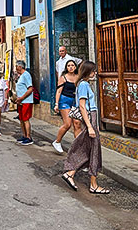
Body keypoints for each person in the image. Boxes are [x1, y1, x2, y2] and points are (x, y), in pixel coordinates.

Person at [62, 61, 110, 194]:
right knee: (93, 150)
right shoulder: (83, 85)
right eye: (93, 70)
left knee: (89, 150)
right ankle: (92, 184)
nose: (95, 73)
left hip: (90, 117)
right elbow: (82, 106)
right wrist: (89, 126)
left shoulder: (84, 84)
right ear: (88, 71)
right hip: (89, 117)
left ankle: (71, 173)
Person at [52, 60, 82, 153]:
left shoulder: (78, 77)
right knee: (67, 124)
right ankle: (57, 141)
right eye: (69, 65)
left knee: (77, 124)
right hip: (64, 101)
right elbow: (59, 91)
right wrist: (56, 104)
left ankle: (78, 147)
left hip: (75, 101)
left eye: (72, 65)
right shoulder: (63, 77)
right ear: (66, 67)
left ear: (75, 67)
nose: (71, 67)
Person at [15, 60, 34, 146]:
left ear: (20, 67)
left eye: (16, 66)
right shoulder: (21, 76)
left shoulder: (26, 75)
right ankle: (24, 135)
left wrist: (22, 98)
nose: (15, 68)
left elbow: (30, 89)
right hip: (21, 101)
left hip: (26, 101)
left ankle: (28, 137)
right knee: (21, 119)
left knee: (26, 119)